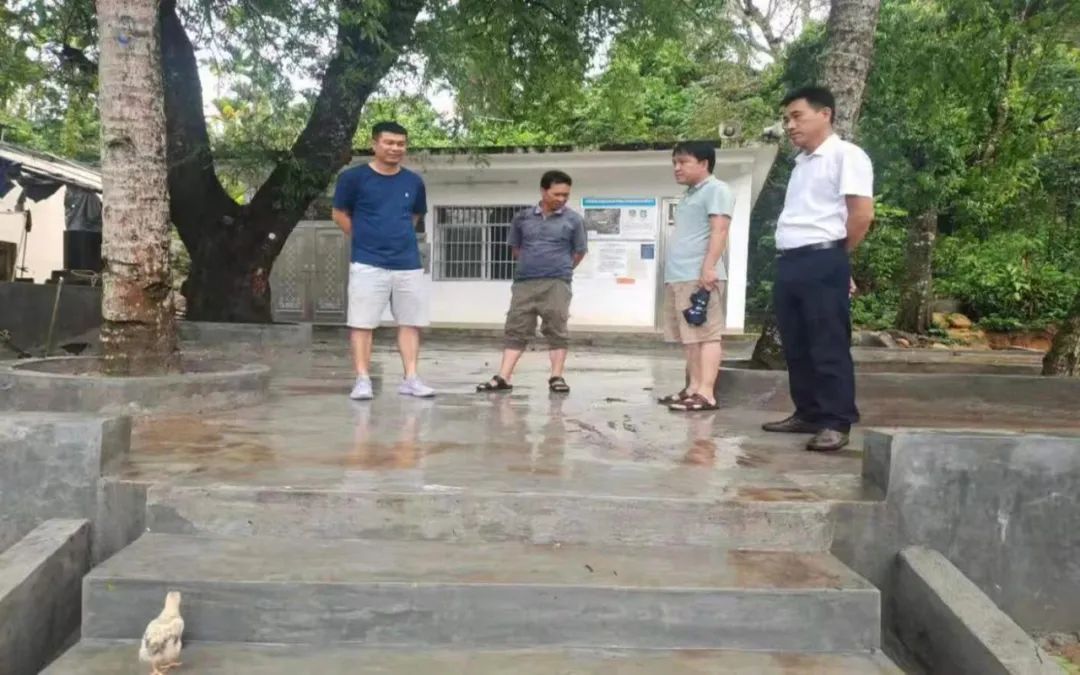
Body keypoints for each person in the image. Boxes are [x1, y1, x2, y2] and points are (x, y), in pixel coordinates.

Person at [763, 86, 875, 451]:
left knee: (828, 343)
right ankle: (808, 412)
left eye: (797, 116)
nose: (789, 126)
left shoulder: (846, 155)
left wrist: (838, 258)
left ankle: (836, 421)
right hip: (790, 261)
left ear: (825, 114)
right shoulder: (801, 164)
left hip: (823, 259)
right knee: (796, 343)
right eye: (786, 119)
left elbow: (862, 214)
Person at [332, 121, 435, 400]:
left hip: (408, 263)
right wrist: (365, 239)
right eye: (389, 142)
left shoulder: (413, 182)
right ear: (374, 144)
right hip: (368, 262)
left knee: (410, 322)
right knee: (362, 323)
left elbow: (414, 217)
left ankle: (411, 378)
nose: (395, 148)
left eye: (400, 144)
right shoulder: (353, 178)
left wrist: (396, 238)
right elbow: (339, 214)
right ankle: (362, 380)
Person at [475, 170, 587, 394]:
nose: (562, 199)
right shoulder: (522, 218)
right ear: (543, 191)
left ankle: (556, 377)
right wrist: (532, 265)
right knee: (516, 328)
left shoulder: (574, 220)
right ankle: (503, 377)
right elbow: (516, 249)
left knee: (556, 328)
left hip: (557, 283)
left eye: (566, 195)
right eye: (557, 194)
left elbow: (579, 252)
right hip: (524, 282)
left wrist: (561, 269)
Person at [657, 141, 734, 412]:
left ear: (704, 163)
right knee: (689, 337)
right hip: (679, 276)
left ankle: (706, 393)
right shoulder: (689, 195)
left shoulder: (717, 190)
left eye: (683, 162)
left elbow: (719, 230)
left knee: (707, 334)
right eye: (674, 163)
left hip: (700, 276)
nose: (677, 168)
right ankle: (692, 388)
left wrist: (709, 268)